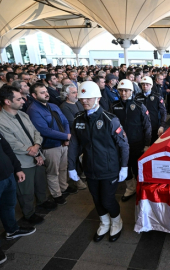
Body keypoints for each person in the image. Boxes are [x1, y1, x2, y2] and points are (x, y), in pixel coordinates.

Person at [68, 81, 129, 243]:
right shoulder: (79, 119)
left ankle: (117, 222)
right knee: (96, 198)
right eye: (82, 98)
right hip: (90, 168)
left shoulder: (110, 119)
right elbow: (74, 144)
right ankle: (105, 222)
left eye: (88, 98)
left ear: (98, 98)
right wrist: (71, 167)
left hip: (109, 168)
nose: (84, 101)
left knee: (107, 199)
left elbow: (123, 144)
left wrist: (124, 167)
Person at [0, 87, 57, 225]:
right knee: (26, 191)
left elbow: (36, 132)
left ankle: (42, 202)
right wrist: (31, 151)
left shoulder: (23, 115)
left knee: (40, 183)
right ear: (7, 101)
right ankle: (29, 213)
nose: (23, 101)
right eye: (18, 99)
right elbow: (11, 143)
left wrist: (37, 147)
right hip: (22, 161)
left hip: (36, 154)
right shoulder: (0, 121)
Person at [27, 83, 76, 205]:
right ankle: (56, 194)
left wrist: (66, 137)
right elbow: (44, 130)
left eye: (46, 91)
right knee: (53, 171)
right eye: (42, 92)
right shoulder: (33, 110)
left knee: (63, 167)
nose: (46, 94)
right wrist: (65, 136)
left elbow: (64, 121)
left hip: (63, 143)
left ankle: (64, 187)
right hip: (50, 145)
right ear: (34, 95)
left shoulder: (53, 105)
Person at [0, 129, 36, 265]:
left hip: (7, 175)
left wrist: (17, 168)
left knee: (8, 205)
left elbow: (6, 148)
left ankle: (12, 230)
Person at [111, 79, 151, 202]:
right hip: (121, 145)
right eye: (121, 90)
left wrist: (147, 144)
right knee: (125, 166)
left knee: (137, 167)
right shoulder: (114, 106)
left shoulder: (139, 106)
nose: (123, 93)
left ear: (131, 91)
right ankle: (130, 188)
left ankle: (141, 188)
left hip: (137, 143)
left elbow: (147, 126)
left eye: (126, 90)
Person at [134, 76, 167, 144]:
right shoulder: (137, 97)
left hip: (154, 127)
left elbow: (163, 112)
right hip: (140, 127)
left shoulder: (157, 97)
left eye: (147, 84)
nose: (145, 86)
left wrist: (162, 126)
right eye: (143, 84)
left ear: (151, 85)